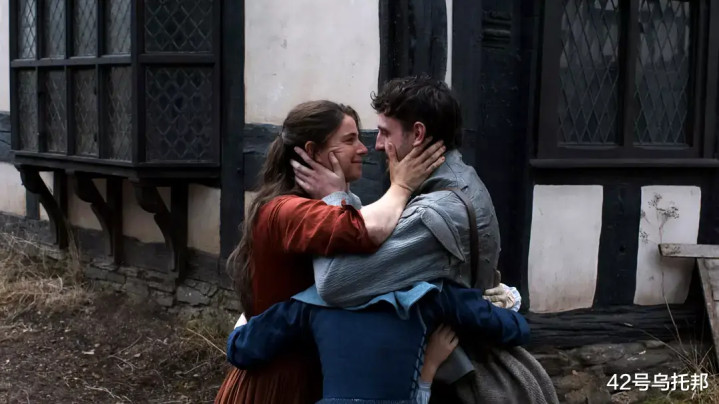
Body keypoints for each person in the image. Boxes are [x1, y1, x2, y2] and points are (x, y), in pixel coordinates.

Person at [293, 76, 558, 403]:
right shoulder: (461, 177)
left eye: (386, 132)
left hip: (451, 384)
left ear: (417, 134)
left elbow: (334, 283)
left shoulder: (436, 211)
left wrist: (334, 201)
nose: (377, 145)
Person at [214, 100, 447, 404]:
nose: (363, 149)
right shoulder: (288, 210)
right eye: (349, 140)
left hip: (308, 376)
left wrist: (338, 196)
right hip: (277, 385)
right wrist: (401, 186)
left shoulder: (304, 206)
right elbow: (366, 231)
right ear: (313, 152)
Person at [226, 280, 530, 403]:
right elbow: (515, 329)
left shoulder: (312, 303)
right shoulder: (430, 295)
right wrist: (429, 368)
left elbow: (240, 348)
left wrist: (248, 318)